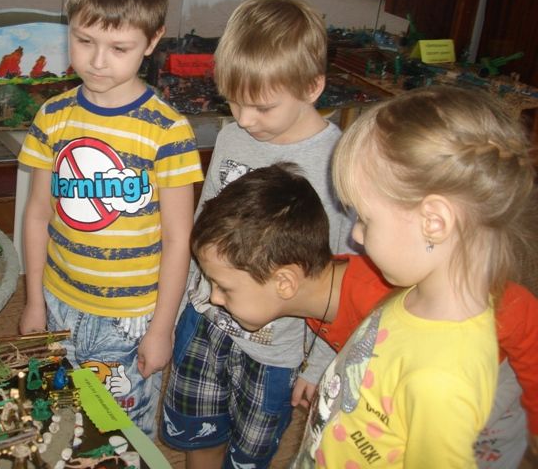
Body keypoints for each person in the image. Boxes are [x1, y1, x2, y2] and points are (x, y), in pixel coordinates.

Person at [191, 162, 538, 468]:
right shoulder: (323, 294)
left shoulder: (383, 297)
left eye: (224, 288)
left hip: (472, 408)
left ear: (284, 282)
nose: (215, 297)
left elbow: (520, 312)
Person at [293, 85, 534, 466]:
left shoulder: (441, 379)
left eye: (365, 219)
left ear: (433, 223)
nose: (356, 235)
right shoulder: (414, 293)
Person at [17, 0, 203, 437]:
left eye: (119, 48)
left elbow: (178, 240)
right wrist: (33, 300)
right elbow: (36, 215)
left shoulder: (168, 131)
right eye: (84, 40)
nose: (97, 61)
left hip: (132, 318)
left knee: (118, 432)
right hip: (58, 301)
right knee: (61, 420)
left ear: (153, 40)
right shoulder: (52, 117)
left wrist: (161, 328)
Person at [161, 0, 354, 468]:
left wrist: (320, 363)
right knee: (196, 434)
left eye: (263, 106)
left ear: (313, 86)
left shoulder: (338, 164)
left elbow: (341, 275)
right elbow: (204, 226)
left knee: (249, 455)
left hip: (275, 350)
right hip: (206, 321)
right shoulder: (232, 137)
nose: (245, 119)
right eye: (234, 100)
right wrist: (180, 306)